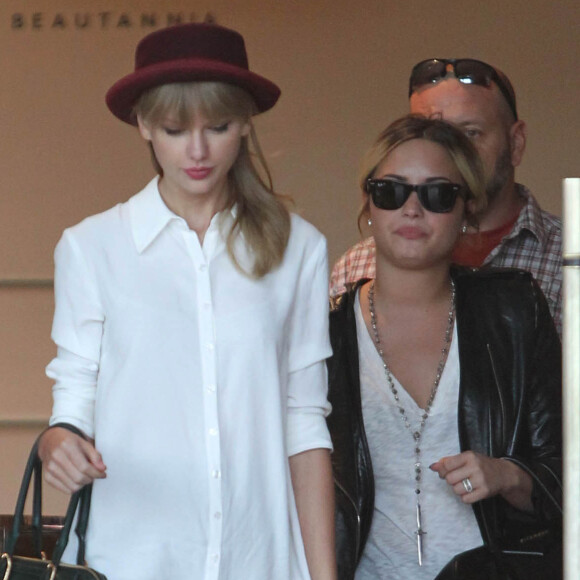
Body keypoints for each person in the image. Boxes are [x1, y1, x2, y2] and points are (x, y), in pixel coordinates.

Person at [38, 23, 336, 580]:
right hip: (130, 558)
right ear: (144, 126)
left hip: (260, 559)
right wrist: (59, 443)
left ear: (246, 123)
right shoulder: (91, 248)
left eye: (218, 127)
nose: (197, 151)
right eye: (175, 129)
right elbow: (72, 404)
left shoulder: (300, 249)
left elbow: (305, 424)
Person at [327, 115, 562, 580]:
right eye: (391, 191)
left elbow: (565, 468)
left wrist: (509, 475)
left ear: (466, 209)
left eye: (438, 194)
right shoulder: (324, 335)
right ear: (368, 203)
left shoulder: (514, 311)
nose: (412, 209)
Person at [329, 58, 562, 336]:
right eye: (428, 132)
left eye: (469, 133)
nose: (447, 151)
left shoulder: (569, 255)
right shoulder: (356, 265)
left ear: (516, 143)